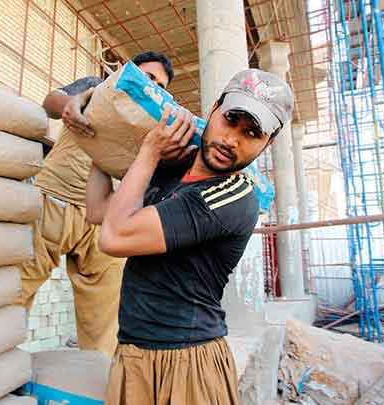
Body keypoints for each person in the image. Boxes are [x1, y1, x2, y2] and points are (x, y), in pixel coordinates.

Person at [85, 69, 295, 404]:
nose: (231, 139)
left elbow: (113, 237)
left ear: (267, 144)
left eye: (251, 133)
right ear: (213, 110)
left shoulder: (232, 198)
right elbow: (97, 212)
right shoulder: (172, 169)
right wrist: (98, 137)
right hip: (134, 351)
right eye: (231, 120)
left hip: (187, 362)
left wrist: (149, 151)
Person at [17, 51, 175, 357]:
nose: (152, 85)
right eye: (147, 76)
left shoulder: (154, 122)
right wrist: (73, 104)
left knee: (105, 313)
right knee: (17, 288)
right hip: (54, 200)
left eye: (160, 84)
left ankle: (99, 377)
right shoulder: (97, 87)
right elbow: (51, 101)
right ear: (129, 71)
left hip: (103, 219)